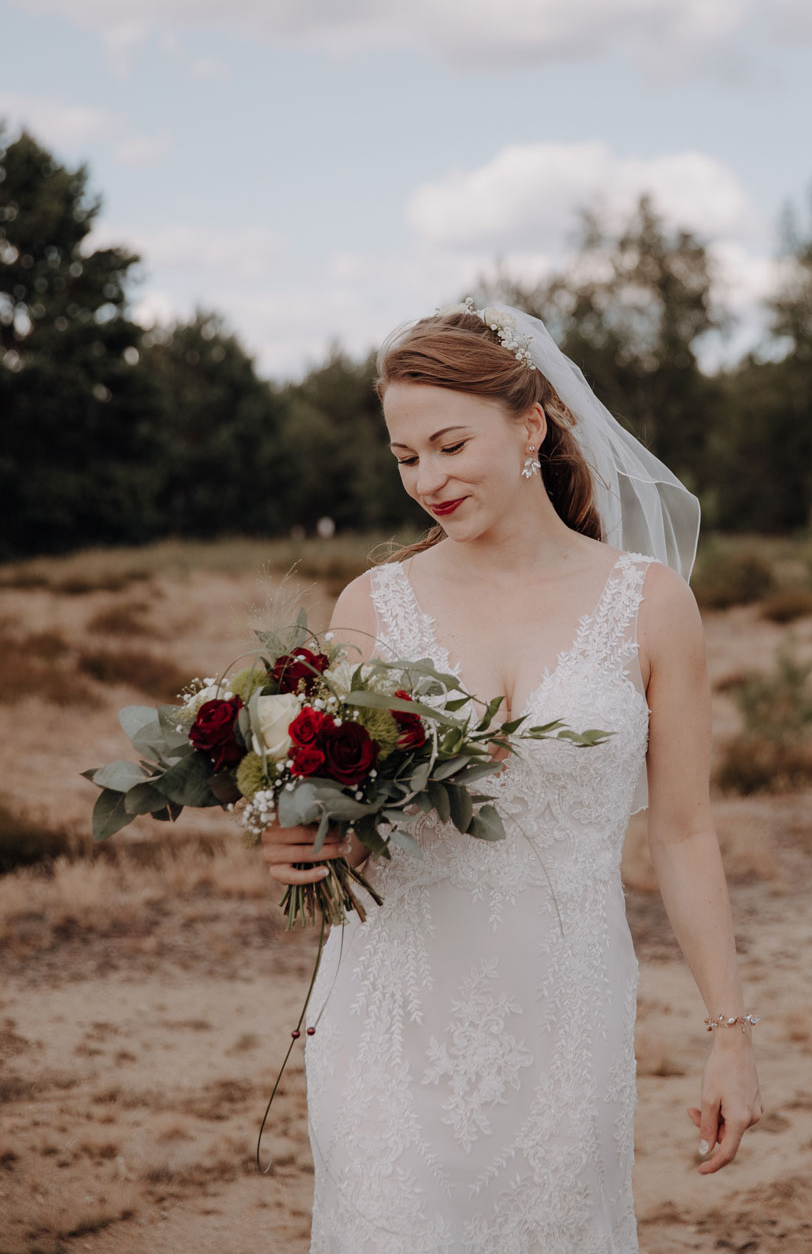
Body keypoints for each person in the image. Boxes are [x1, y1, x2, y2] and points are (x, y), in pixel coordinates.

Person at [262, 301, 763, 1254]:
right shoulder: (371, 607)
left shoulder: (650, 605)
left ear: (530, 423)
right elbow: (341, 818)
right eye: (407, 458)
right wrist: (301, 840)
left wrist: (729, 1035)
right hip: (389, 1010)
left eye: (451, 445)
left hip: (566, 1010)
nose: (429, 481)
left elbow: (685, 832)